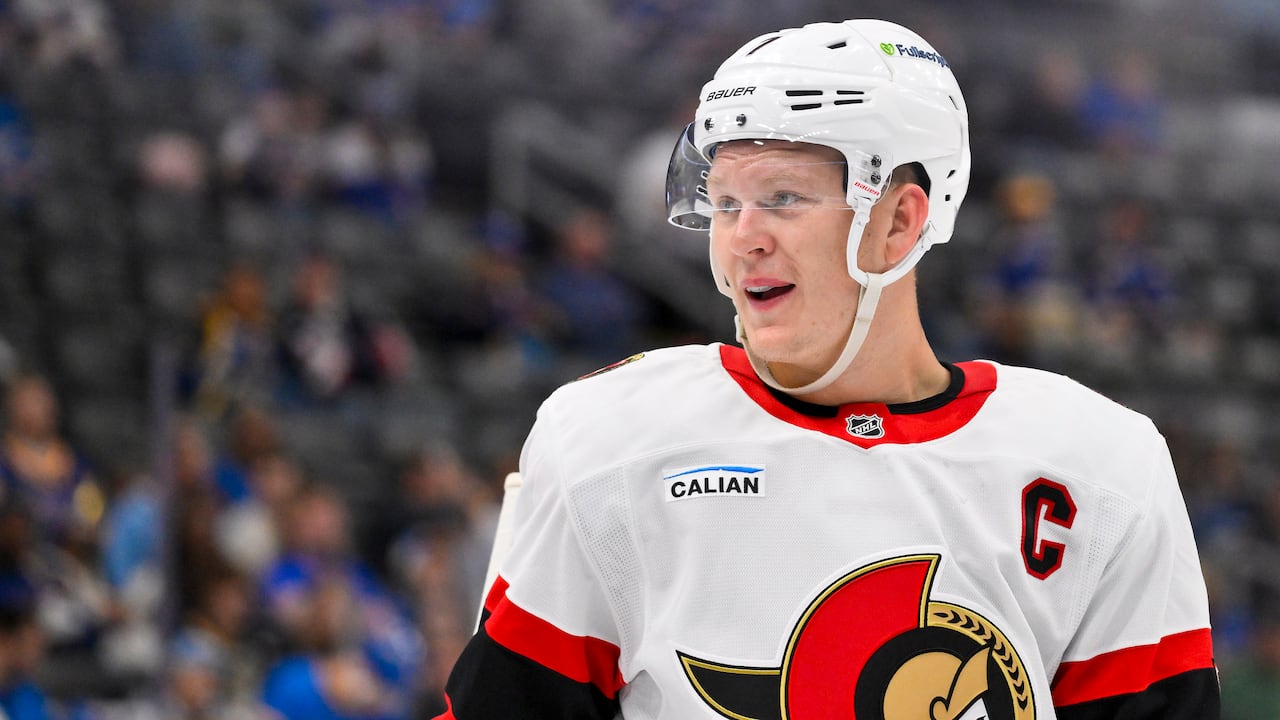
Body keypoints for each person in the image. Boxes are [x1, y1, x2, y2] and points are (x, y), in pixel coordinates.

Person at [434, 19, 1219, 719]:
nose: (742, 237)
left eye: (781, 196)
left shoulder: (1105, 467)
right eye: (725, 200)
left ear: (901, 219)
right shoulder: (610, 441)